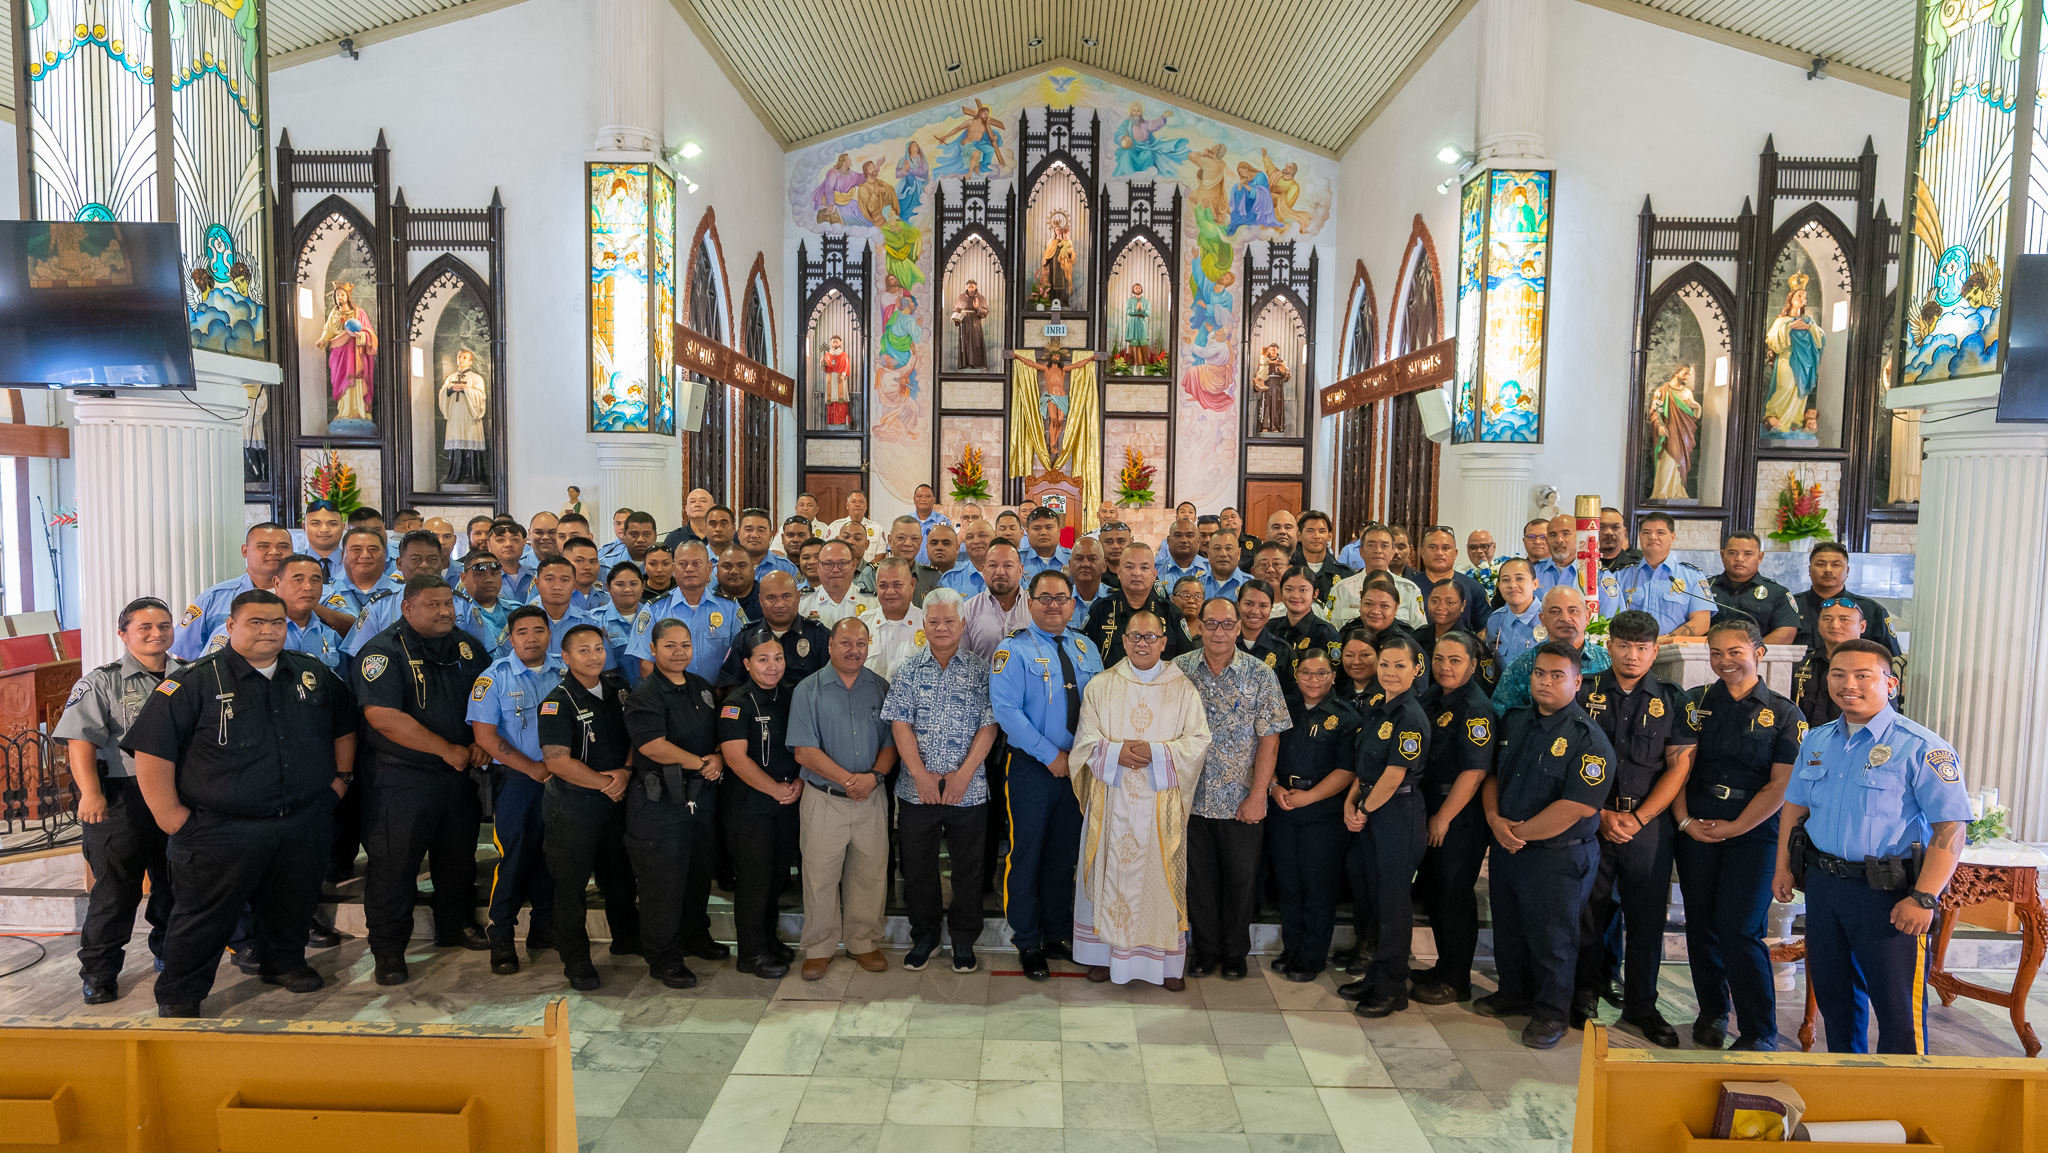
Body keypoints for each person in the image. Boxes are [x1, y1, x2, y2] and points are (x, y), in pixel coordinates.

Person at [124, 590, 359, 1017]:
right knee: (203, 918)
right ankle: (180, 993)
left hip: (302, 819)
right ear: (230, 626)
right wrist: (171, 816)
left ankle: (283, 964)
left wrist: (339, 782)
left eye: (276, 622)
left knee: (292, 904)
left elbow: (344, 727)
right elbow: (153, 751)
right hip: (218, 828)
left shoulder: (312, 675)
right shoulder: (193, 682)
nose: (268, 630)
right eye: (256, 622)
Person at [1774, 639, 1971, 1055]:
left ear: (1890, 683)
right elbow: (1794, 806)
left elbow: (1950, 830)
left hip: (1891, 894)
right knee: (1836, 1002)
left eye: (1864, 675)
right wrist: (1783, 868)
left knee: (1898, 1012)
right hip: (1826, 889)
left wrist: (1924, 897)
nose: (1850, 684)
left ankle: (1902, 1105)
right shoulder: (1818, 740)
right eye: (1839, 674)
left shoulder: (1921, 747)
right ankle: (1849, 1092)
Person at [353, 575, 493, 985]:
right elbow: (383, 717)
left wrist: (484, 740)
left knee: (457, 859)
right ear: (407, 608)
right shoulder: (381, 652)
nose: (445, 611)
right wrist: (445, 749)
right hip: (402, 780)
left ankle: (456, 926)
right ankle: (389, 951)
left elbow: (490, 694)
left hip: (458, 776)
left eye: (448, 603)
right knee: (395, 868)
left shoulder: (467, 646)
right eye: (433, 605)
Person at [1672, 617, 1803, 1050]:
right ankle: (1712, 1012)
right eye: (1716, 653)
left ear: (1758, 653)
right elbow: (1678, 769)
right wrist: (1687, 822)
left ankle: (1759, 1030)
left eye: (1735, 652)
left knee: (1740, 928)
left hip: (1755, 831)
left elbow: (1781, 785)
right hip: (1698, 827)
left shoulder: (1784, 713)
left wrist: (1736, 826)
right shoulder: (1693, 703)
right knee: (1702, 925)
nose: (1724, 661)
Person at [1476, 642, 1616, 1049]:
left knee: (1554, 938)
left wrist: (1517, 833)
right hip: (1509, 846)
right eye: (1540, 673)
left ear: (1577, 682)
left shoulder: (1589, 740)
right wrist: (1493, 821)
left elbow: (1575, 806)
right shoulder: (1516, 721)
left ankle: (1552, 1013)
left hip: (1558, 855)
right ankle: (1513, 993)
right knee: (1510, 928)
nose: (1546, 682)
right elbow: (1491, 776)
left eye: (1557, 676)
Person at [1570, 610, 1695, 1048]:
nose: (1632, 655)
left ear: (1655, 649)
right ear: (1610, 646)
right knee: (1589, 910)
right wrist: (1601, 815)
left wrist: (1639, 818)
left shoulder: (1673, 698)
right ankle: (1583, 993)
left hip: (1648, 825)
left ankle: (1641, 1004)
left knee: (1645, 920)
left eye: (1642, 647)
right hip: (1592, 820)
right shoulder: (1584, 692)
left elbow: (1679, 765)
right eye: (1624, 645)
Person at [1071, 610, 1212, 989]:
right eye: (1135, 637)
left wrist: (1156, 754)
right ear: (1124, 640)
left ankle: (1165, 965)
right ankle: (1104, 955)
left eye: (1150, 638)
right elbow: (1084, 742)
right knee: (1108, 875)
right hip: (1112, 799)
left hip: (1159, 804)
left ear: (1164, 643)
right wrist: (1116, 753)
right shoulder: (1101, 685)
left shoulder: (1183, 688)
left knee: (1160, 882)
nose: (1142, 644)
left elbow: (1198, 741)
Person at [57, 598, 182, 1004]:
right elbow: (80, 742)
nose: (156, 633)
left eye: (163, 626)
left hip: (176, 792)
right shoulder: (100, 682)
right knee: (115, 891)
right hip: (121, 797)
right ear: (123, 633)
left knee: (174, 882)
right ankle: (99, 971)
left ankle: (170, 954)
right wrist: (91, 794)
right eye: (144, 627)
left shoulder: (189, 676)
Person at [991, 570, 1105, 979]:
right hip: (1032, 769)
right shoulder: (1013, 651)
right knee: (1026, 853)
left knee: (1062, 855)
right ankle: (1027, 940)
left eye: (1061, 597)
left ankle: (1056, 932)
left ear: (1073, 603)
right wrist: (1049, 755)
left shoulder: (1086, 647)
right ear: (1030, 602)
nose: (1053, 605)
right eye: (1045, 598)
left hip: (1078, 769)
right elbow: (1007, 712)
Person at [1175, 594, 1291, 980]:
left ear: (1239, 627)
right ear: (1200, 626)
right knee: (1199, 881)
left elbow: (1270, 740)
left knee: (1241, 879)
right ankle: (1206, 950)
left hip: (1241, 800)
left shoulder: (1260, 674)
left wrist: (1259, 795)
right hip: (1189, 798)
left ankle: (1235, 953)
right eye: (1211, 624)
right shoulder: (1178, 670)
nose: (1219, 631)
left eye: (1228, 624)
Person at [881, 589, 996, 973]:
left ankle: (964, 940)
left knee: (969, 870)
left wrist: (963, 776)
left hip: (970, 790)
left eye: (950, 621)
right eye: (934, 622)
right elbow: (900, 725)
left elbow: (989, 725)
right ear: (924, 625)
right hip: (917, 791)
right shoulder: (908, 670)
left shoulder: (982, 671)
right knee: (917, 868)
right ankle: (925, 937)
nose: (942, 628)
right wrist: (920, 776)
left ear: (963, 625)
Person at [788, 617, 898, 979]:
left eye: (861, 644)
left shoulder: (880, 687)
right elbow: (804, 751)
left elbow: (890, 743)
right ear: (831, 645)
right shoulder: (808, 689)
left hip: (871, 798)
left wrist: (874, 778)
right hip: (824, 798)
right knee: (820, 875)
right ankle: (819, 946)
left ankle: (863, 941)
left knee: (869, 872)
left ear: (869, 647)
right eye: (846, 643)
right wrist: (851, 780)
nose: (854, 650)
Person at [620, 619, 725, 989]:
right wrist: (701, 763)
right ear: (653, 649)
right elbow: (652, 746)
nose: (679, 652)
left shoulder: (700, 687)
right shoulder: (645, 694)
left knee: (698, 874)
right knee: (662, 884)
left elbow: (717, 734)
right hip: (659, 802)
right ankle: (663, 958)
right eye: (669, 646)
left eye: (685, 645)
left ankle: (696, 935)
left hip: (700, 797)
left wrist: (717, 757)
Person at [536, 625, 642, 990]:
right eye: (583, 651)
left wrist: (625, 774)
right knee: (571, 888)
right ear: (565, 657)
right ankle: (577, 962)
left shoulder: (619, 690)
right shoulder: (557, 701)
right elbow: (556, 761)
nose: (593, 656)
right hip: (574, 808)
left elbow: (636, 737)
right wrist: (606, 783)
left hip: (616, 801)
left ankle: (627, 938)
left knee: (620, 878)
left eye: (598, 648)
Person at [1337, 635, 1431, 1015]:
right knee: (1375, 896)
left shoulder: (1411, 716)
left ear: (1416, 670)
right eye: (1385, 664)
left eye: (1400, 666)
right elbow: (1366, 767)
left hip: (1397, 814)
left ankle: (1392, 987)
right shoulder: (1379, 706)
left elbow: (1394, 775)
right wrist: (1351, 802)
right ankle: (1375, 975)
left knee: (1393, 904)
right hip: (1372, 806)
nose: (1390, 672)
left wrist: (1363, 811)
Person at [467, 605, 561, 975]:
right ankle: (502, 937)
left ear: (549, 633)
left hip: (561, 780)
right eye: (522, 632)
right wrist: (534, 769)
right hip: (520, 781)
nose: (532, 638)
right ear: (510, 637)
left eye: (539, 630)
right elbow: (485, 737)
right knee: (514, 859)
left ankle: (545, 927)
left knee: (551, 857)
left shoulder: (565, 672)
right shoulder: (493, 679)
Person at [1409, 632, 1497, 1005]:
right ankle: (1443, 968)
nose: (1445, 667)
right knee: (1436, 892)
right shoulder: (1432, 696)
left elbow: (1474, 773)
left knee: (1454, 894)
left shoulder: (1476, 709)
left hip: (1457, 815)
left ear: (1473, 665)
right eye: (1440, 658)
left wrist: (1443, 818)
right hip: (1429, 803)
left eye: (1455, 660)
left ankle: (1456, 979)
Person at [1265, 648, 1358, 985]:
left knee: (1318, 886)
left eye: (1321, 673)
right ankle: (1292, 949)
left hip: (1323, 811)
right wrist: (1274, 788)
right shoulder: (1283, 707)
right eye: (1307, 672)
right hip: (1283, 804)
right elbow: (1266, 750)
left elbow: (1347, 770)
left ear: (1333, 677)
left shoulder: (1346, 716)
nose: (1313, 679)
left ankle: (1312, 956)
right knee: (1288, 884)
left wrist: (1310, 797)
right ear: (1297, 675)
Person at [718, 637, 802, 978]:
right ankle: (750, 952)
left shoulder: (791, 695)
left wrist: (796, 784)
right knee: (754, 880)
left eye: (778, 658)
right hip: (750, 804)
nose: (773, 666)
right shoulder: (736, 703)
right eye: (763, 659)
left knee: (775, 877)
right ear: (748, 664)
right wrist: (775, 790)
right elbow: (735, 758)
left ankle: (768, 938)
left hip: (786, 799)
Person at [172, 523, 296, 659]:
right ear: (245, 551)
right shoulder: (213, 598)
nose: (274, 552)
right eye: (263, 546)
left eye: (283, 547)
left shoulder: (310, 596)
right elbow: (185, 656)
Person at [632, 542, 741, 683]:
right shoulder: (654, 610)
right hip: (670, 699)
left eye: (696, 563)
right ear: (673, 569)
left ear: (709, 568)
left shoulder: (730, 607)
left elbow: (741, 656)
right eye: (682, 564)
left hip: (720, 697)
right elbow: (646, 664)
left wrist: (723, 693)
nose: (689, 569)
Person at [1491, 587, 1612, 713]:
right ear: (1542, 619)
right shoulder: (1524, 665)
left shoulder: (1608, 661)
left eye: (1573, 611)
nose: (1565, 618)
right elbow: (1502, 716)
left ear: (1587, 617)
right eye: (1555, 612)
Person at [1085, 542, 1193, 666]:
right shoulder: (1100, 610)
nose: (1136, 573)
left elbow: (1187, 660)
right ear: (1119, 572)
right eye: (1130, 567)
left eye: (1144, 568)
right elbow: (1085, 655)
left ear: (1154, 575)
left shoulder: (1170, 613)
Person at [719, 571, 832, 689]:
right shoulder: (745, 638)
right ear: (761, 600)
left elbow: (830, 684)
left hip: (805, 706)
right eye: (771, 598)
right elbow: (730, 683)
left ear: (798, 597)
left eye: (786, 596)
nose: (779, 604)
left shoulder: (820, 636)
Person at [1792, 598, 1893, 725]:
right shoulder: (1803, 663)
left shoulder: (1877, 665)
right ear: (1818, 624)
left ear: (1862, 626)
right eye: (1827, 619)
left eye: (1844, 619)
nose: (1834, 625)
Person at [1613, 512, 1714, 639]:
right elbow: (1610, 618)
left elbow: (1702, 622)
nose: (1653, 537)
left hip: (1674, 652)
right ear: (1639, 537)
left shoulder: (1693, 577)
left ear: (1673, 537)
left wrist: (1667, 639)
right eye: (1646, 532)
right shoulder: (1620, 576)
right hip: (1631, 651)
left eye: (1660, 533)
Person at [1793, 542, 1903, 657]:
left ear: (1848, 571)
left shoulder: (1871, 610)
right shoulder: (1790, 607)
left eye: (1836, 565)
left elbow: (1891, 658)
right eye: (1821, 564)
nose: (1828, 570)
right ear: (1809, 570)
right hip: (1800, 673)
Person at [1708, 531, 1801, 644]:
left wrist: (1751, 652)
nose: (1739, 559)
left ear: (1760, 557)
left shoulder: (1777, 593)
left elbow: (1786, 633)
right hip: (1707, 656)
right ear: (1722, 555)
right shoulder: (1705, 588)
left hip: (1758, 659)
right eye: (1732, 553)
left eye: (1748, 554)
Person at [1265, 567, 1342, 702]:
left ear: (1315, 594)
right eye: (1289, 589)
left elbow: (1333, 679)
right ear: (1281, 592)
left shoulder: (1326, 634)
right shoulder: (1269, 627)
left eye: (1303, 590)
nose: (1295, 595)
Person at [1327, 525, 1424, 629]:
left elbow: (1418, 633)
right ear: (1361, 552)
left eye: (1384, 546)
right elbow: (1331, 631)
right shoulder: (1341, 589)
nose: (1378, 550)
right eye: (1371, 545)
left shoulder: (1409, 590)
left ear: (1392, 552)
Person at [961, 541, 1032, 659]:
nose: (1000, 572)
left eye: (1008, 565)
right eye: (993, 565)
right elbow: (962, 662)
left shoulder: (1036, 608)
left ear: (1020, 570)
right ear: (984, 570)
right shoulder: (968, 610)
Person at [1416, 528, 1489, 634]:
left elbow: (1483, 629)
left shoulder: (1473, 588)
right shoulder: (1409, 586)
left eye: (1445, 548)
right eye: (1432, 547)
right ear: (1422, 552)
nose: (1439, 553)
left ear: (1455, 553)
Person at [865, 557, 926, 679]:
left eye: (897, 585)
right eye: (883, 586)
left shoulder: (928, 625)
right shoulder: (863, 624)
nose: (890, 591)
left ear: (912, 585)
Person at [458, 552, 522, 659]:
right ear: (464, 578)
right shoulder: (456, 613)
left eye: (495, 573)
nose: (489, 579)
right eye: (480, 574)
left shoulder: (517, 611)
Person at [598, 562, 653, 686]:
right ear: (608, 587)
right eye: (620, 584)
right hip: (610, 694)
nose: (627, 589)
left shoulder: (655, 617)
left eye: (633, 584)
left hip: (651, 694)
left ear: (643, 585)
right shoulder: (595, 620)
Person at [802, 539, 879, 627]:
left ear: (854, 565)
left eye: (842, 563)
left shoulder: (873, 602)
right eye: (828, 564)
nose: (835, 570)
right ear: (818, 567)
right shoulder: (802, 603)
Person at [1485, 558, 1542, 667]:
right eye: (1506, 580)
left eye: (1519, 578)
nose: (1512, 585)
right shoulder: (1495, 620)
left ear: (1534, 584)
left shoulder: (1549, 618)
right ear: (1499, 586)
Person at [1294, 511, 1354, 599]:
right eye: (1310, 531)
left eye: (1322, 531)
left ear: (1330, 536)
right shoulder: (1289, 569)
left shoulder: (1345, 574)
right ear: (1299, 535)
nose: (1316, 536)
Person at [739, 509, 801, 584]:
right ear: (739, 534)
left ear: (770, 536)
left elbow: (801, 595)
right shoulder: (725, 565)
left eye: (761, 530)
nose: (754, 535)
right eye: (749, 529)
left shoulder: (787, 568)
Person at [825, 490, 884, 564]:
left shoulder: (877, 528)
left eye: (861, 502)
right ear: (847, 505)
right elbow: (828, 552)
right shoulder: (835, 526)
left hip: (868, 572)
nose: (857, 505)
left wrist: (867, 570)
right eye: (853, 501)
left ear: (866, 506)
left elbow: (881, 554)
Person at [941, 520, 995, 598]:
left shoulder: (1009, 575)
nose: (976, 541)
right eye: (970, 537)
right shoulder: (951, 579)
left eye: (982, 535)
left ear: (995, 538)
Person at [1530, 514, 1581, 597]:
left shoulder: (1594, 574)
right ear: (1547, 541)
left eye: (1565, 534)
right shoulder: (1532, 572)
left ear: (1579, 537)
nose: (1559, 540)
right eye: (1553, 535)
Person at [715, 544, 766, 625]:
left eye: (742, 566)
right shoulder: (705, 602)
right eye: (727, 566)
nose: (734, 571)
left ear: (753, 569)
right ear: (717, 570)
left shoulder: (769, 600)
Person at [1157, 518, 1210, 590]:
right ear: (1168, 541)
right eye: (1178, 536)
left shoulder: (1211, 569)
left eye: (1189, 536)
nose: (1184, 540)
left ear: (1198, 541)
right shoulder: (1155, 569)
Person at [1067, 536, 1115, 615]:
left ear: (1103, 565)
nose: (1085, 564)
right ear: (1070, 565)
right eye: (1079, 559)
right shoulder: (1060, 600)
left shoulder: (1116, 599)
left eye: (1092, 559)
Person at [1020, 507, 1071, 577]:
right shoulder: (1017, 559)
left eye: (1049, 528)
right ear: (1028, 532)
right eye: (1037, 528)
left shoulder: (1072, 558)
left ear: (1059, 531)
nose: (1043, 532)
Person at [1203, 527, 1251, 600]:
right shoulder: (1198, 584)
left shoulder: (1251, 585)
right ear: (1209, 554)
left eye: (1228, 549)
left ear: (1238, 554)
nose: (1223, 554)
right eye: (1217, 548)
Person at [911, 484, 953, 565]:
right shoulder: (906, 521)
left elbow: (950, 546)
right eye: (919, 496)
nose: (923, 499)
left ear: (934, 499)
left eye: (927, 496)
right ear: (914, 499)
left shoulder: (943, 521)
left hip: (935, 570)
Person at [1598, 507, 1641, 572]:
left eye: (1615, 527)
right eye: (1601, 527)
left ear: (1624, 532)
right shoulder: (1581, 563)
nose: (1609, 532)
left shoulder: (1638, 563)